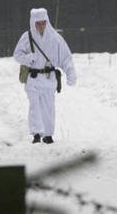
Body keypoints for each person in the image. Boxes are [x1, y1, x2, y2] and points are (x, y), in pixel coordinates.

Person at [13, 8, 77, 144]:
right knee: (34, 106)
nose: (41, 26)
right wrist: (28, 58)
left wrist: (70, 73)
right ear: (33, 23)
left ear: (47, 22)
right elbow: (17, 54)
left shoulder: (55, 38)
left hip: (49, 78)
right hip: (33, 78)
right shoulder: (27, 37)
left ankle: (48, 134)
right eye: (38, 23)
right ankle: (36, 133)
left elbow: (66, 58)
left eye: (43, 23)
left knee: (48, 108)